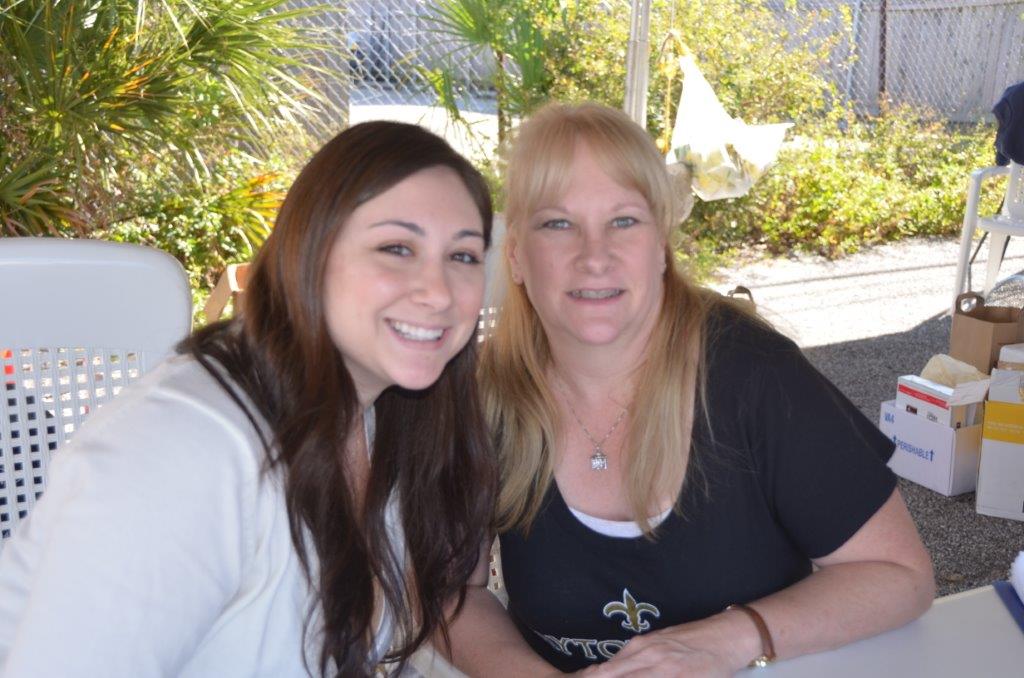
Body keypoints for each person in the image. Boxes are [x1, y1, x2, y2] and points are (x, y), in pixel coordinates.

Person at [446, 102, 934, 676]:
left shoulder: (754, 375)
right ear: (516, 257)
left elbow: (900, 575)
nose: (593, 257)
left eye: (623, 221)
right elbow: (450, 593)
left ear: (660, 246)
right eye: (558, 223)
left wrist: (729, 639)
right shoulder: (481, 396)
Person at [0, 121, 496, 677]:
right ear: (311, 252)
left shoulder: (378, 417)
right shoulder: (184, 452)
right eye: (396, 248)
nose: (438, 292)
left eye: (463, 255)